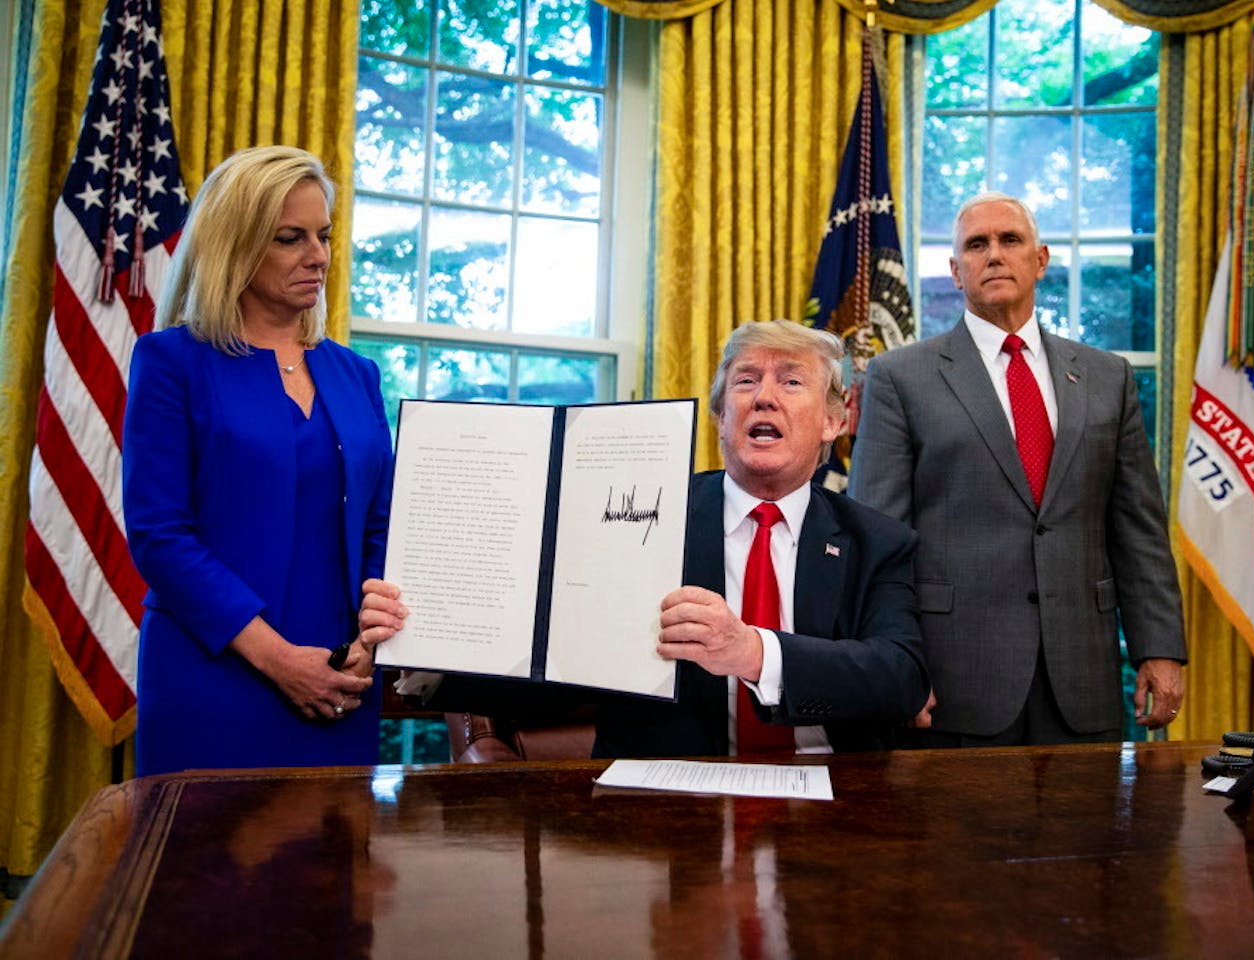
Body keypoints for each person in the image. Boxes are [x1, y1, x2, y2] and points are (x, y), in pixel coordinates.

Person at [361, 320, 930, 757]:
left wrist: (753, 652)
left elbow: (900, 679)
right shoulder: (635, 517)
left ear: (834, 421)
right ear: (720, 416)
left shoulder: (877, 541)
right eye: (746, 381)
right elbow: (559, 670)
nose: (764, 397)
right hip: (665, 814)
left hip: (832, 808)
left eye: (791, 381)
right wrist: (427, 651)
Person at [848, 191, 1186, 746]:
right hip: (953, 685)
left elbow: (1139, 530)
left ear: (1041, 259)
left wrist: (1160, 647)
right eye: (976, 246)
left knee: (1085, 835)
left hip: (1083, 677)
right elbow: (879, 539)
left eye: (1010, 240)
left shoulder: (1108, 377)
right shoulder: (900, 377)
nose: (995, 255)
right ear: (956, 272)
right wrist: (894, 664)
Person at [123, 146, 394, 775]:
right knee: (206, 872)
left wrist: (368, 645)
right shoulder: (172, 362)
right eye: (290, 238)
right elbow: (161, 537)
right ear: (235, 244)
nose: (319, 256)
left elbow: (385, 526)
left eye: (324, 235)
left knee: (333, 869)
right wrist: (279, 660)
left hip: (341, 680)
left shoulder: (357, 375)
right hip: (214, 672)